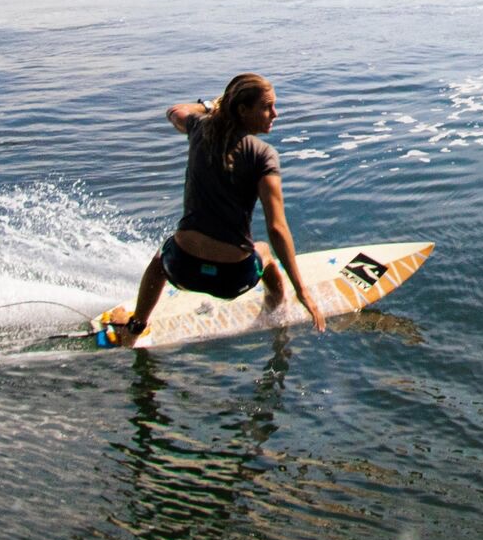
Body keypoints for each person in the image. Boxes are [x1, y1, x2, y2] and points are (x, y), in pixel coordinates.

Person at [113, 72, 325, 345]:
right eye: (267, 106)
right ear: (242, 110)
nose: (276, 113)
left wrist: (210, 106)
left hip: (181, 268)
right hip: (233, 279)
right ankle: (278, 310)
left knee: (158, 263)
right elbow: (277, 227)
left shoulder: (199, 129)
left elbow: (174, 111)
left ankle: (135, 327)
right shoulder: (264, 155)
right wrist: (303, 291)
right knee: (265, 251)